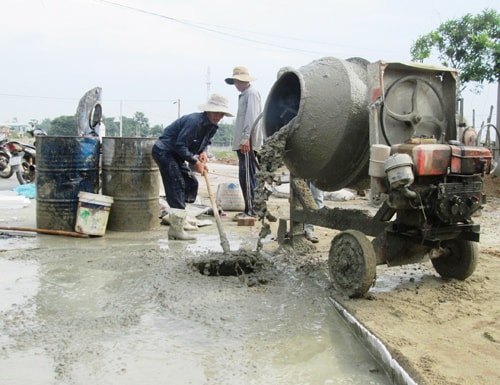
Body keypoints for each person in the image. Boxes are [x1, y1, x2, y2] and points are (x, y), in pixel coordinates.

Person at [152, 94, 233, 240]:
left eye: (221, 114)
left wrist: (203, 152)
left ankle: (183, 218)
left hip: (177, 154)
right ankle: (175, 230)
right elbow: (180, 145)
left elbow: (204, 143)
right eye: (216, 112)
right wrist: (196, 162)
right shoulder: (194, 122)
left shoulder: (212, 127)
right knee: (176, 185)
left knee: (191, 183)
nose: (219, 116)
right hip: (165, 151)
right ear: (208, 111)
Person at [225, 66, 265, 220]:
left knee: (248, 177)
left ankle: (252, 211)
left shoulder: (252, 94)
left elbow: (252, 118)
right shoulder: (244, 94)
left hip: (248, 143)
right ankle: (249, 209)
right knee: (245, 176)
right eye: (235, 81)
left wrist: (246, 138)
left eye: (238, 81)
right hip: (243, 142)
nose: (236, 84)